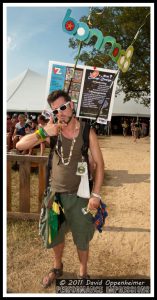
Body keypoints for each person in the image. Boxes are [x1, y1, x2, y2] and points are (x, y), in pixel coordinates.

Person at [16, 90, 104, 286]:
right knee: (55, 233)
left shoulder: (86, 131)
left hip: (81, 196)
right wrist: (44, 132)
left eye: (63, 108)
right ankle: (57, 267)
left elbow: (100, 165)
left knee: (82, 236)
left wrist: (96, 194)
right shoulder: (51, 131)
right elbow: (21, 145)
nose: (60, 113)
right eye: (55, 110)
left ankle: (83, 273)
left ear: (71, 105)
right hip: (55, 196)